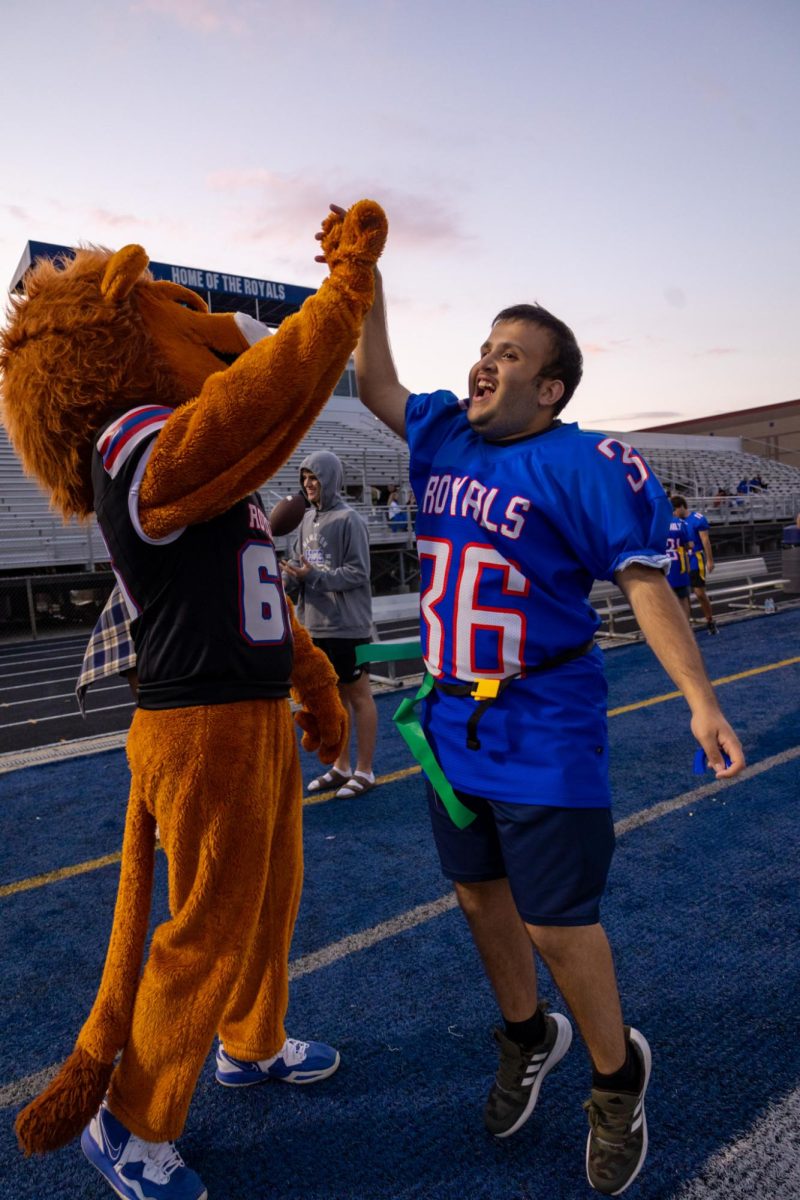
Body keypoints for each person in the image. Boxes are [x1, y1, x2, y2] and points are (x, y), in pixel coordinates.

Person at [351, 251, 744, 1196]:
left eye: (511, 353)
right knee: (479, 899)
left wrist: (700, 697)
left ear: (552, 384)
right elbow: (373, 381)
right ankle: (528, 1038)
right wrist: (363, 279)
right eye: (485, 345)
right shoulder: (443, 432)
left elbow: (645, 585)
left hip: (545, 722)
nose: (486, 361)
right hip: (449, 720)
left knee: (558, 923)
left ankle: (617, 1079)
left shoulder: (587, 460)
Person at [282, 450, 378, 799]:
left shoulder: (350, 520)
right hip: (314, 624)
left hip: (347, 625)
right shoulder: (305, 520)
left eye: (315, 476)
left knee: (359, 696)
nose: (309, 483)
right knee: (332, 701)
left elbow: (358, 573)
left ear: (330, 478)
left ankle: (365, 769)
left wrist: (314, 576)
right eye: (305, 477)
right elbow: (301, 566)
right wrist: (289, 577)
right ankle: (340, 767)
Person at [671, 496, 718, 634]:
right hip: (681, 561)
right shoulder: (676, 522)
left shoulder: (697, 519)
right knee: (683, 595)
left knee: (699, 593)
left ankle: (710, 620)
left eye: (674, 509)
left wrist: (710, 560)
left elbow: (705, 540)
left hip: (695, 558)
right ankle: (687, 626)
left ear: (681, 507)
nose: (673, 512)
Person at [666, 499, 693, 623]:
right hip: (679, 564)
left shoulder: (656, 524)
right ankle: (686, 627)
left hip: (663, 566)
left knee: (667, 601)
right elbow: (690, 545)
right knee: (683, 599)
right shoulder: (680, 523)